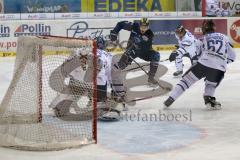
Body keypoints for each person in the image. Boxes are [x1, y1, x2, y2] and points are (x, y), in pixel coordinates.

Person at [164, 20, 236, 110]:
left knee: (186, 81)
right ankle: (208, 98)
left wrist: (205, 68)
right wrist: (220, 63)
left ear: (203, 29)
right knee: (211, 84)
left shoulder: (201, 39)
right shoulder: (224, 37)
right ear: (214, 28)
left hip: (204, 64)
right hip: (219, 69)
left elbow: (198, 56)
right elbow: (232, 56)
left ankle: (171, 98)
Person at [109, 18, 160, 101]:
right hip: (131, 50)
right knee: (119, 66)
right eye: (142, 26)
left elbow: (146, 47)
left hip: (144, 52)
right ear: (139, 25)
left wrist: (139, 42)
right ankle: (115, 85)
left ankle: (151, 77)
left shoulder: (150, 34)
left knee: (156, 55)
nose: (143, 29)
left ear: (148, 26)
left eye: (145, 27)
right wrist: (115, 32)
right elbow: (120, 24)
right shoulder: (134, 26)